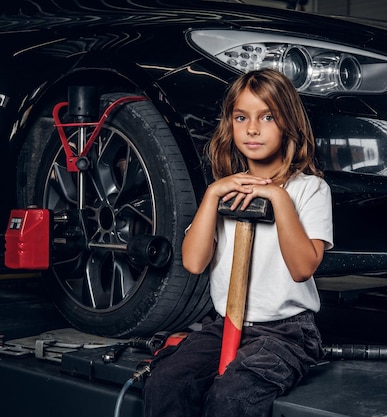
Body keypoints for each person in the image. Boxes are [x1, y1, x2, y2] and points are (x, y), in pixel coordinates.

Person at [142, 68, 333, 417]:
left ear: (288, 123)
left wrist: (278, 199)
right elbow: (194, 262)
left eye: (268, 117)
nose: (253, 129)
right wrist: (213, 194)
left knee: (230, 399)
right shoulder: (224, 190)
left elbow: (303, 268)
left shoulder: (310, 190)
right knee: (165, 383)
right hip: (224, 324)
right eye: (242, 117)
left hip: (285, 333)